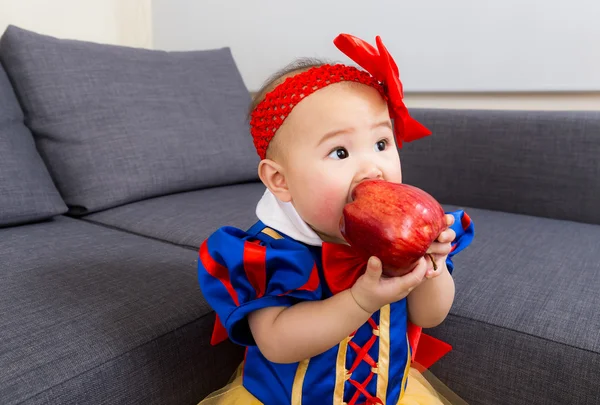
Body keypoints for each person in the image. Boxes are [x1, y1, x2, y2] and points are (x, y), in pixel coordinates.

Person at [197, 33, 474, 405]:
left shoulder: (398, 236)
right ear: (280, 180)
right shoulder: (269, 254)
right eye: (340, 152)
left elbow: (430, 315)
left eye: (381, 143)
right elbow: (277, 343)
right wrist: (360, 301)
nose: (372, 169)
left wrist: (431, 266)